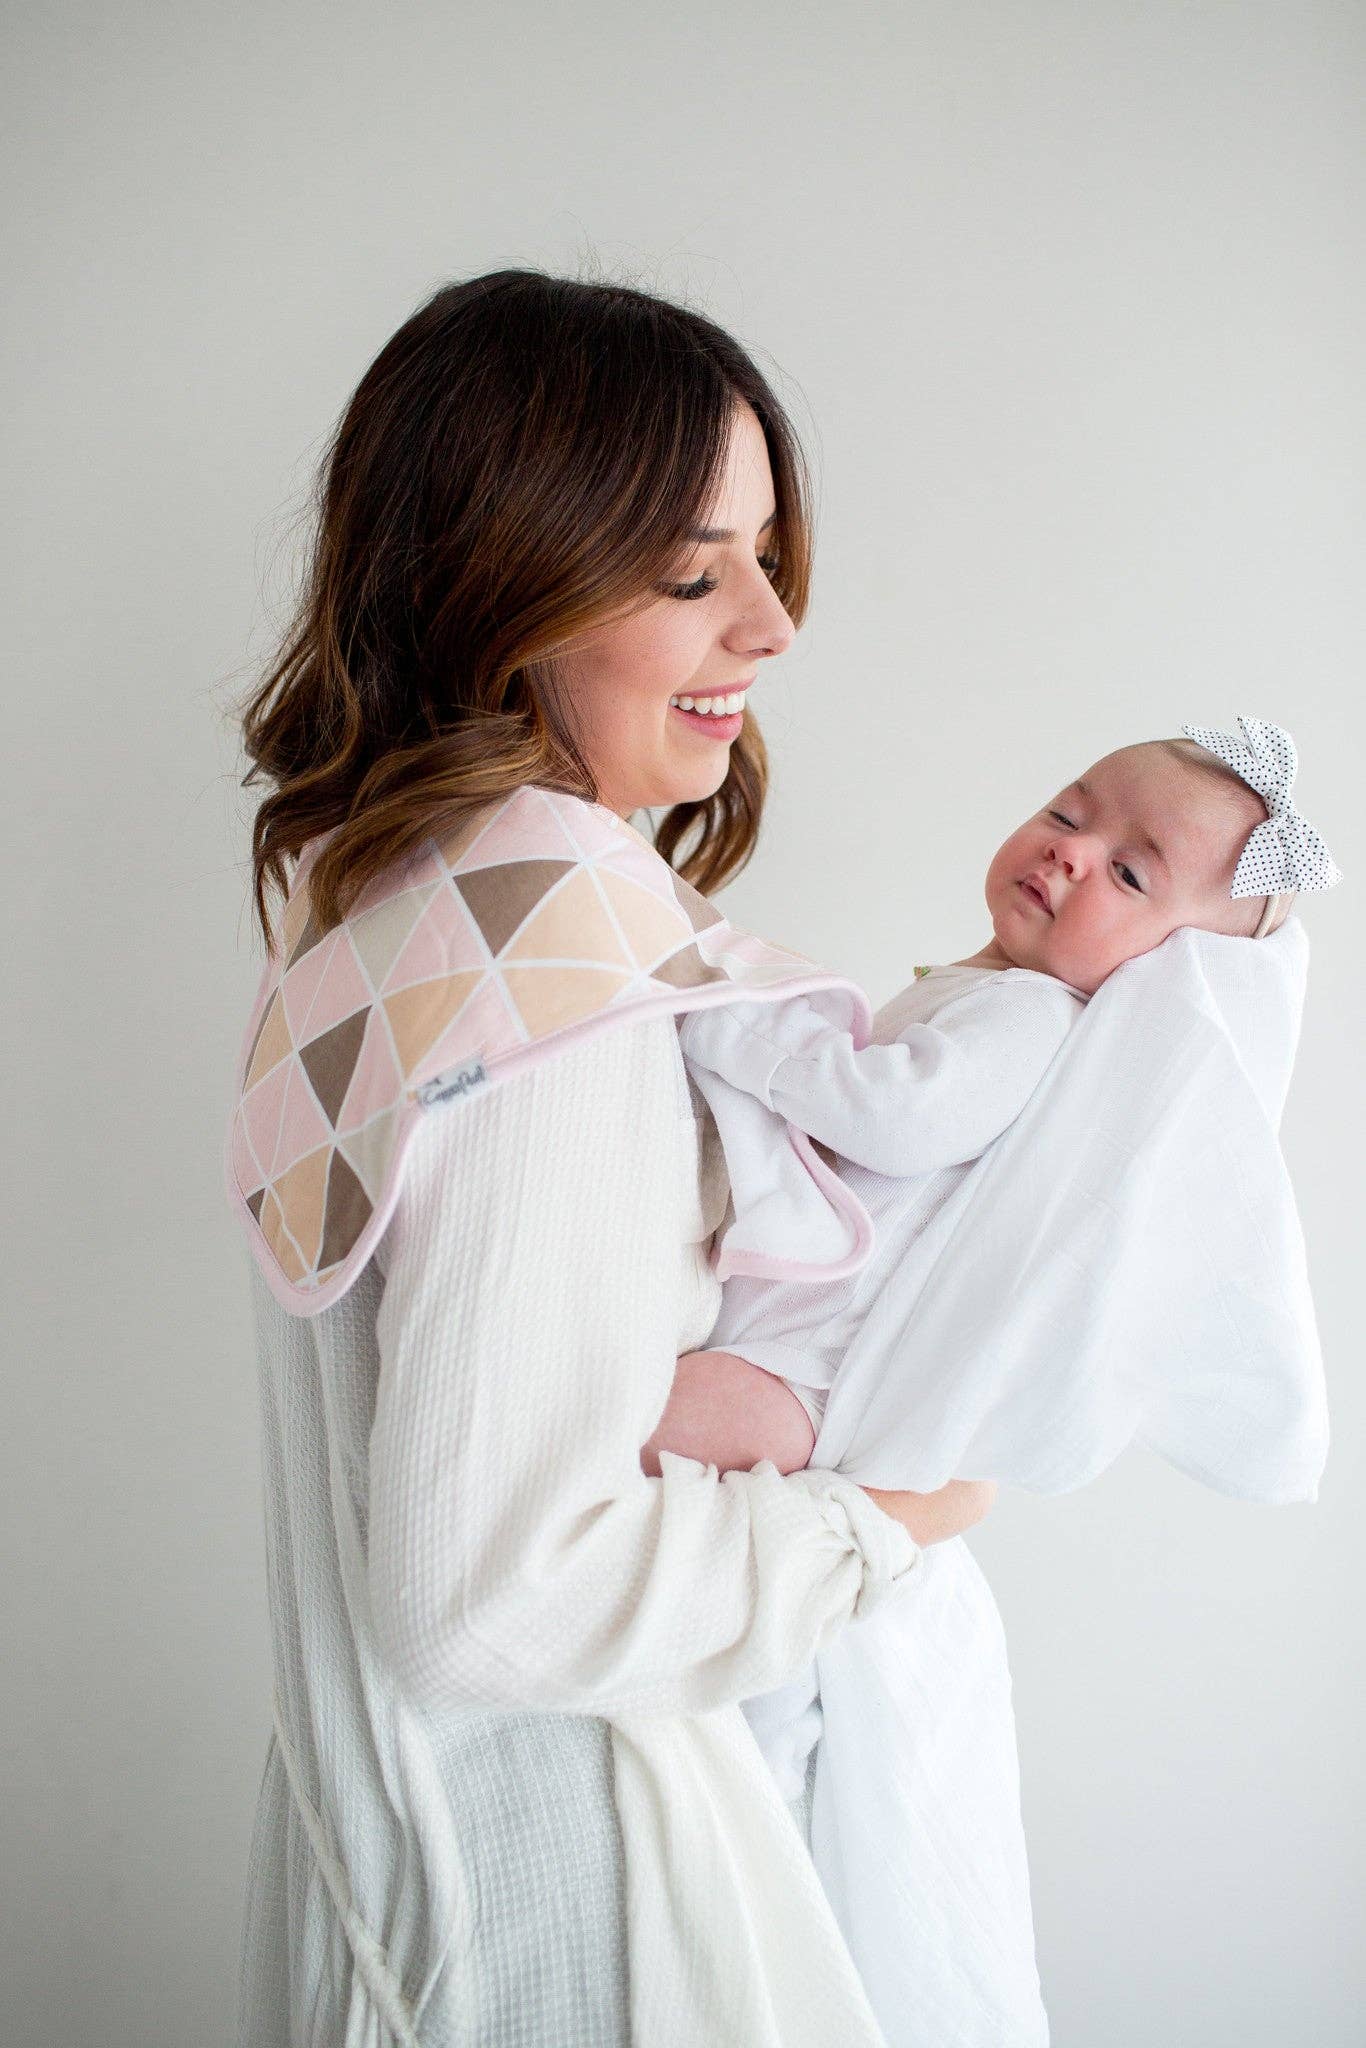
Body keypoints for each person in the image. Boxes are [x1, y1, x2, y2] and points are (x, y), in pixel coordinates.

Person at [227, 269, 994, 2048]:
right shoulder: (553, 964)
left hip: (384, 1880)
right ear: (506, 582)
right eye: (690, 572)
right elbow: (492, 1603)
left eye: (764, 557)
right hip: (569, 1916)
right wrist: (880, 1523)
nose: (772, 625)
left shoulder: (378, 903)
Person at [648, 719, 1339, 2044]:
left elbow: (889, 1112)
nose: (1071, 854)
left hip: (810, 1380)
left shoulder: (1032, 1017)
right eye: (1070, 810)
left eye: (1130, 874)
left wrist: (723, 1018)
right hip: (788, 1351)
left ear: (1168, 967)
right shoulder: (990, 989)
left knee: (628, 1426)